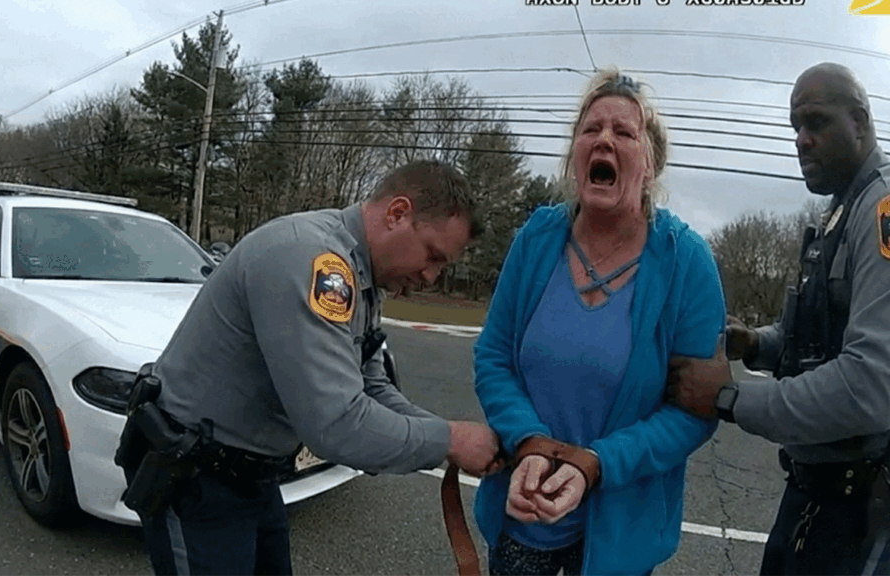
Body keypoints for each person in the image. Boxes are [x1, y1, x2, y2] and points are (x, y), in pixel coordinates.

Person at [115, 159, 504, 576]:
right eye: (433, 257)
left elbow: (371, 385)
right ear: (397, 214)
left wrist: (448, 437)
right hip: (196, 478)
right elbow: (336, 424)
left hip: (253, 477)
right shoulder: (310, 257)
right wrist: (449, 439)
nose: (431, 277)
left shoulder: (362, 275)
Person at [469, 68, 727, 576]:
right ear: (575, 157)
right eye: (591, 130)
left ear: (650, 167)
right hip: (525, 518)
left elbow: (696, 410)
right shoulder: (537, 239)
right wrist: (529, 442)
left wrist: (599, 463)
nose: (604, 139)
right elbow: (494, 357)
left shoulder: (687, 262)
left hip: (621, 536)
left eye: (624, 133)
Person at [667, 62, 890, 576]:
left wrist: (728, 397)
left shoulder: (881, 209)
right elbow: (817, 337)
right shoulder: (839, 211)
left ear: (859, 120)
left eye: (816, 123)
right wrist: (757, 344)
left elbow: (868, 385)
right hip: (814, 492)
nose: (802, 141)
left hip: (864, 509)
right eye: (795, 128)